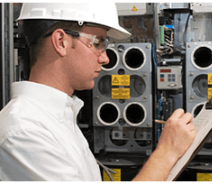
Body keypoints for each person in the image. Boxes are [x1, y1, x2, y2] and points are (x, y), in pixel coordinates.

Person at [0, 3, 196, 181]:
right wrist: (167, 152)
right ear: (61, 41)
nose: (105, 58)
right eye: (97, 43)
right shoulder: (24, 132)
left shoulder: (56, 119)